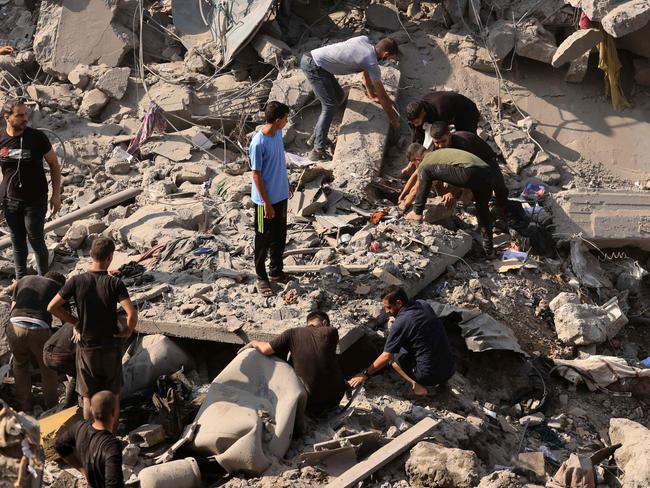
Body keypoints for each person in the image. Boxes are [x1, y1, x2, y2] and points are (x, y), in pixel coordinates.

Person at [48, 237, 137, 426]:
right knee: (113, 395)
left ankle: (91, 435)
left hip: (87, 348)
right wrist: (127, 331)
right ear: (110, 257)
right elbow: (131, 313)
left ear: (90, 255)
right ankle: (111, 434)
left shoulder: (76, 281)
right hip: (111, 347)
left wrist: (76, 322)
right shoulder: (115, 283)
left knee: (88, 396)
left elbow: (52, 307)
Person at [301, 36, 400, 161]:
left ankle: (316, 137)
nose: (389, 61)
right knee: (329, 105)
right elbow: (383, 97)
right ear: (386, 54)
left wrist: (371, 94)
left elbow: (365, 75)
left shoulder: (364, 40)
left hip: (320, 65)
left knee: (339, 96)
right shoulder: (371, 62)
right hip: (314, 66)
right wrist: (394, 120)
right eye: (390, 58)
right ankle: (317, 150)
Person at [349, 287, 455, 396]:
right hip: (450, 368)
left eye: (389, 307)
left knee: (394, 357)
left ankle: (416, 385)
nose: (386, 311)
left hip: (428, 376)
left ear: (399, 303)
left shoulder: (401, 323)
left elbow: (386, 356)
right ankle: (443, 383)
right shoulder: (423, 304)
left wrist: (364, 374)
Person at [1, 99, 62, 280]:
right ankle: (21, 282)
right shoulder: (1, 139)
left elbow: (54, 165)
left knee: (36, 239)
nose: (25, 118)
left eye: (26, 114)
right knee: (17, 242)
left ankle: (43, 280)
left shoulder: (37, 138)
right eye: (19, 115)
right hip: (10, 200)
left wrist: (56, 195)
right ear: (7, 117)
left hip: (35, 200)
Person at [240, 311, 347, 413]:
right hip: (335, 397)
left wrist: (255, 342)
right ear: (325, 323)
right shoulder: (332, 331)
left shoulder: (291, 333)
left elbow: (266, 350)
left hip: (308, 401)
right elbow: (322, 354)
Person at [399, 122, 508, 220]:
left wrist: (452, 192)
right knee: (435, 173)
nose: (441, 146)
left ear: (450, 135)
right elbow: (417, 174)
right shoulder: (433, 150)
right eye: (437, 143)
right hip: (465, 167)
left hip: (483, 160)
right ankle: (450, 199)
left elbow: (467, 171)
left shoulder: (462, 144)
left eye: (443, 141)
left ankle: (500, 212)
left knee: (498, 187)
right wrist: (403, 194)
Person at [404, 145, 496, 258]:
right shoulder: (441, 155)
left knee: (426, 171)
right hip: (488, 173)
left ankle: (417, 213)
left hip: (470, 172)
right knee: (483, 210)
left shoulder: (426, 162)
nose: (416, 167)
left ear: (417, 159)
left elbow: (415, 190)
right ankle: (489, 250)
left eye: (414, 164)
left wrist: (404, 206)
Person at [5, 271, 66, 412]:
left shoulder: (24, 279)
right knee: (47, 368)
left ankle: (25, 405)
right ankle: (52, 407)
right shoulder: (58, 288)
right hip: (38, 329)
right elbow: (64, 319)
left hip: (15, 326)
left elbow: (13, 307)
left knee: (20, 365)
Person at [250, 101, 293, 297]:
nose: (286, 122)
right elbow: (256, 175)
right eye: (285, 118)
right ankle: (261, 277)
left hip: (280, 196)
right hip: (263, 202)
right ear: (277, 120)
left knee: (279, 236)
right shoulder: (258, 143)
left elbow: (278, 162)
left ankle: (276, 271)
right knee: (262, 239)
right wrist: (266, 203)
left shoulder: (278, 134)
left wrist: (286, 184)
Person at [55, 390, 123, 488]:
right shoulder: (111, 445)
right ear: (114, 412)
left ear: (91, 410)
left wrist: (82, 469)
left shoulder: (80, 426)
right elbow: (113, 483)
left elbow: (59, 445)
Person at [406, 91, 480, 147]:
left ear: (423, 113)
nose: (415, 125)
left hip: (467, 111)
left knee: (466, 140)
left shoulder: (440, 112)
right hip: (449, 109)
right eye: (413, 123)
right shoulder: (417, 114)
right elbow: (417, 136)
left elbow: (443, 135)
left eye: (416, 122)